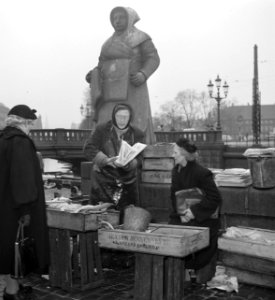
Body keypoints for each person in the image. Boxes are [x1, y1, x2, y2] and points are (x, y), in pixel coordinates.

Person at [0, 105, 50, 300]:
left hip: (5, 205)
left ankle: (16, 287)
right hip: (17, 207)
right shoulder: (20, 142)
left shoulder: (2, 140)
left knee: (12, 247)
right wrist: (26, 209)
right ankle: (12, 293)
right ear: (23, 123)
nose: (31, 129)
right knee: (16, 248)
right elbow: (23, 178)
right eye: (30, 125)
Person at [86, 6, 160, 144]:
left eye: (121, 17)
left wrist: (143, 74)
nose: (117, 21)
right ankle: (107, 148)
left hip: (133, 87)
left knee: (136, 121)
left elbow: (153, 58)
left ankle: (138, 149)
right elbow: (101, 65)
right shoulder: (107, 44)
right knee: (107, 120)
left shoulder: (141, 38)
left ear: (130, 18)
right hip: (110, 91)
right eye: (114, 18)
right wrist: (93, 75)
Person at [169, 137, 222, 283]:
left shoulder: (202, 173)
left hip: (203, 218)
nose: (173, 155)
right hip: (182, 216)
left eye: (175, 153)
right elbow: (173, 197)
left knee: (193, 237)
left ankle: (191, 271)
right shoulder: (176, 171)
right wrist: (181, 214)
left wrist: (193, 212)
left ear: (184, 155)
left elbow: (214, 198)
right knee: (170, 233)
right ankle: (178, 271)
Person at [83, 103, 145, 221]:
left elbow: (141, 158)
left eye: (125, 117)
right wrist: (105, 160)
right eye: (119, 116)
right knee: (100, 218)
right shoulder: (102, 129)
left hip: (128, 183)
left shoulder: (137, 133)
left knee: (127, 218)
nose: (122, 120)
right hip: (103, 181)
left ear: (130, 117)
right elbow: (89, 148)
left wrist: (129, 164)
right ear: (113, 116)